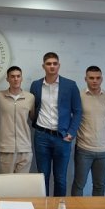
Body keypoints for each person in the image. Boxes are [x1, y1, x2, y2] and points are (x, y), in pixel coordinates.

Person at [29, 52, 82, 197]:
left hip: (62, 137)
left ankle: (60, 206)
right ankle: (44, 206)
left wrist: (71, 132)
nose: (52, 66)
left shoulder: (70, 85)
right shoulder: (36, 85)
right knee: (42, 177)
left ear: (59, 65)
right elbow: (34, 107)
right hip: (42, 136)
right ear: (43, 66)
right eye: (48, 64)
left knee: (60, 178)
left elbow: (78, 111)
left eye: (55, 63)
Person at [71, 66, 105, 196]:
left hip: (104, 150)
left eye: (97, 78)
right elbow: (72, 119)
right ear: (85, 79)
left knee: (99, 185)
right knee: (79, 184)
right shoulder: (78, 96)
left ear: (102, 79)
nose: (95, 81)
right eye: (91, 78)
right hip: (84, 149)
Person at [0, 66, 35, 173]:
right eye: (12, 76)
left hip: (25, 148)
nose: (15, 79)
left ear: (22, 78)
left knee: (22, 182)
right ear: (7, 79)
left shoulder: (30, 97)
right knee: (5, 182)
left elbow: (33, 118)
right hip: (6, 148)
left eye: (18, 76)